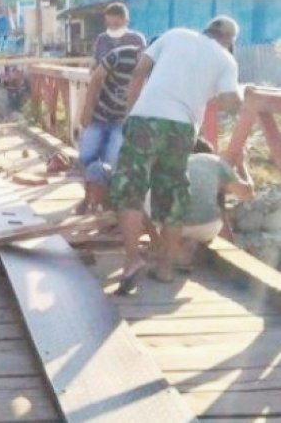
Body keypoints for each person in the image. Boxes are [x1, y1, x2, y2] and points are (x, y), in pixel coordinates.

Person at [109, 16, 243, 294]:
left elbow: (139, 71)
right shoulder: (226, 60)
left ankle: (133, 260)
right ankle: (166, 267)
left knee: (129, 189)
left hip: (145, 118)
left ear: (207, 28)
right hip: (181, 128)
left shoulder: (175, 34)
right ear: (229, 41)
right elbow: (232, 104)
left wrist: (129, 112)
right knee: (171, 195)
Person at [144, 138, 254, 272]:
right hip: (207, 228)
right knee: (209, 202)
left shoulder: (168, 160)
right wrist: (242, 165)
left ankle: (166, 245)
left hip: (166, 226)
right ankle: (190, 243)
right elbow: (247, 194)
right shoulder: (215, 162)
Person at [77, 43, 143, 214]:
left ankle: (105, 202)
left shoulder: (155, 70)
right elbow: (96, 79)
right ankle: (88, 197)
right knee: (86, 156)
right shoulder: (119, 56)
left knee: (112, 161)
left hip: (122, 120)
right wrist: (87, 110)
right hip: (99, 114)